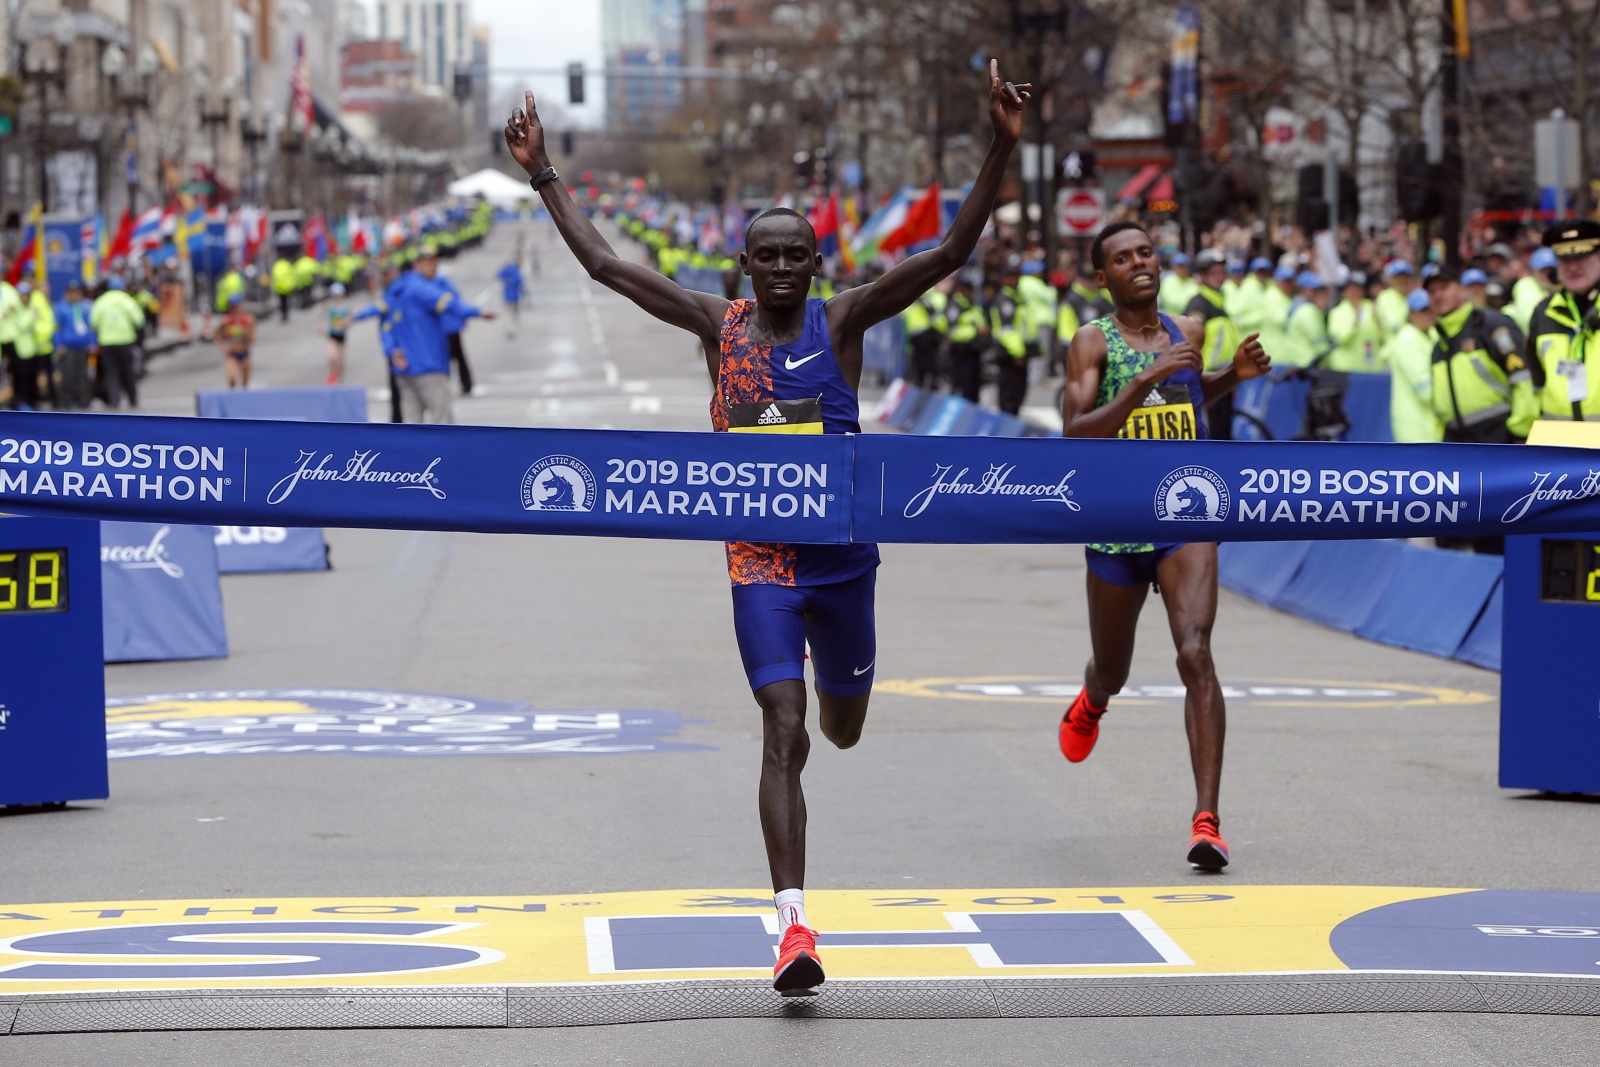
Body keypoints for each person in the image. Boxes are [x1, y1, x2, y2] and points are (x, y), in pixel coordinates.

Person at [505, 59, 1030, 996]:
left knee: (841, 727)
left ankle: (840, 698)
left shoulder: (847, 321)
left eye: (796, 255)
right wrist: (544, 173)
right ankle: (792, 925)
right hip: (761, 565)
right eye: (767, 255)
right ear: (745, 265)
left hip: (844, 565)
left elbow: (950, 251)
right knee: (782, 728)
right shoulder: (719, 328)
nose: (782, 267)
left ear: (816, 265)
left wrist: (1000, 144)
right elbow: (607, 266)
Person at [1057, 219, 1269, 870]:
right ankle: (1094, 697)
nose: (1139, 263)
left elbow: (1189, 397)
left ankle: (1207, 820)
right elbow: (1075, 433)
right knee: (1113, 669)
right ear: (1103, 277)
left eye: (1145, 252)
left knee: (1195, 651)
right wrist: (1142, 379)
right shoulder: (1092, 341)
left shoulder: (1189, 331)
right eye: (1123, 258)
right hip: (1117, 518)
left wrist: (1230, 375)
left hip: (1186, 506)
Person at [386, 249, 488, 423]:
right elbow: (449, 303)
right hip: (428, 365)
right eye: (429, 263)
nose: (434, 267)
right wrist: (476, 312)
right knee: (442, 422)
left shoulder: (397, 289)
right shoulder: (422, 288)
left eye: (435, 263)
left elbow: (386, 325)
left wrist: (391, 351)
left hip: (405, 367)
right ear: (417, 265)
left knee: (411, 424)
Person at [1523, 219, 1600, 423]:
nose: (1573, 267)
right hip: (1559, 437)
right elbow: (1535, 380)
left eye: (1581, 256)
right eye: (1565, 259)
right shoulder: (1544, 312)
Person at [1183, 249, 1240, 438]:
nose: (1220, 277)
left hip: (1223, 377)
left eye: (1222, 272)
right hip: (1207, 380)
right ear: (1202, 276)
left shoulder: (1220, 302)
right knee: (1212, 435)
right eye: (1214, 273)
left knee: (1224, 434)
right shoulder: (1198, 305)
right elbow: (1189, 346)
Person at [1389, 288, 1443, 443]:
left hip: (1430, 427)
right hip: (1416, 430)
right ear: (1412, 314)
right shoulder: (1408, 341)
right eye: (1423, 311)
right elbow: (1426, 392)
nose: (1429, 314)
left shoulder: (1431, 335)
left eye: (1431, 309)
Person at [90, 276, 145, 409]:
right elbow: (139, 320)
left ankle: (114, 400)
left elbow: (93, 322)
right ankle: (133, 400)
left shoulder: (101, 301)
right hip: (125, 341)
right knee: (128, 371)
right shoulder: (127, 300)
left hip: (107, 343)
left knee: (111, 373)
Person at [988, 258, 1035, 415]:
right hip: (1010, 355)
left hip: (1019, 353)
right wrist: (1018, 353)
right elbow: (1007, 331)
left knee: (1018, 392)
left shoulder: (1017, 297)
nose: (1014, 279)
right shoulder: (1005, 300)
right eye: (1011, 276)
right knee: (1010, 395)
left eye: (1016, 275)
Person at [1327, 271, 1384, 373]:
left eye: (1357, 288)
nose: (1354, 292)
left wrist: (1377, 318)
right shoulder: (1337, 313)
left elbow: (1382, 336)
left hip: (1372, 366)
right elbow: (1340, 339)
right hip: (1346, 367)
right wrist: (1354, 324)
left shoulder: (1371, 307)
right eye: (1350, 289)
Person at [945, 272, 988, 402]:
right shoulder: (955, 305)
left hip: (974, 350)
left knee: (974, 385)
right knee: (962, 384)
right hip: (961, 351)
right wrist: (975, 331)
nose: (968, 290)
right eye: (966, 287)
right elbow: (953, 332)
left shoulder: (972, 304)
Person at [53, 280, 95, 410]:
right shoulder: (61, 308)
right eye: (72, 292)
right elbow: (57, 328)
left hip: (82, 347)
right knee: (68, 375)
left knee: (82, 375)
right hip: (68, 348)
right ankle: (67, 400)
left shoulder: (85, 306)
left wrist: (92, 343)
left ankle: (82, 399)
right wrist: (59, 344)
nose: (74, 295)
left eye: (76, 292)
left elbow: (90, 327)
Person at [1278, 271, 1333, 368]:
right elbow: (1319, 342)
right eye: (1313, 289)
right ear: (1303, 290)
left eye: (1318, 289)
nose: (1317, 292)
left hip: (1297, 361)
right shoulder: (1307, 310)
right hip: (1307, 364)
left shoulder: (1297, 305)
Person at [901, 281, 948, 390]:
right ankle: (923, 386)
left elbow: (937, 316)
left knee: (928, 364)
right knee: (919, 365)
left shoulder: (932, 298)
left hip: (927, 335)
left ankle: (930, 386)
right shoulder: (914, 298)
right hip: (915, 335)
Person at [1509, 247, 1558, 332]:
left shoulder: (1561, 287)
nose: (1546, 275)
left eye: (1551, 270)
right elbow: (1532, 320)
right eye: (1542, 271)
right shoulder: (1526, 285)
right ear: (1533, 272)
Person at [216, 292, 256, 389]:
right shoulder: (226, 320)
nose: (235, 308)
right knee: (232, 379)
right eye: (232, 305)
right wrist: (223, 346)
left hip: (244, 352)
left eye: (236, 305)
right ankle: (232, 394)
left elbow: (252, 337)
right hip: (232, 353)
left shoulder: (248, 319)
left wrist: (247, 335)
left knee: (245, 384)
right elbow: (217, 334)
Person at [1158, 251, 1198, 317]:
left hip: (1189, 317)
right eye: (1179, 266)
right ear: (1173, 267)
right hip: (1170, 317)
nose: (1182, 269)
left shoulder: (1195, 282)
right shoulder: (1167, 281)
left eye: (1184, 266)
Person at [326, 282, 351, 384]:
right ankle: (333, 372)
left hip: (342, 335)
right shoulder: (329, 304)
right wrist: (319, 327)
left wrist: (346, 324)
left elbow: (351, 318)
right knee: (332, 357)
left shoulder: (346, 305)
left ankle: (341, 380)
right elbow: (319, 315)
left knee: (341, 360)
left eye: (338, 294)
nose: (337, 296)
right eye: (335, 295)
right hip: (332, 335)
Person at [498, 256, 526, 337]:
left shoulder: (506, 273)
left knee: (508, 314)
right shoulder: (517, 274)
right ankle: (513, 329)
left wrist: (503, 267)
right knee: (515, 314)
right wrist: (524, 294)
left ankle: (509, 328)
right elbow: (521, 285)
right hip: (515, 297)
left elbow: (498, 274)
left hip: (506, 296)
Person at [271, 255, 296, 322]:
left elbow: (273, 276)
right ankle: (286, 314)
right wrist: (292, 285)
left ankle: (283, 315)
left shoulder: (276, 265)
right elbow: (292, 275)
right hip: (286, 287)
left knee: (281, 301)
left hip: (279, 287)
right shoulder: (287, 265)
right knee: (286, 301)